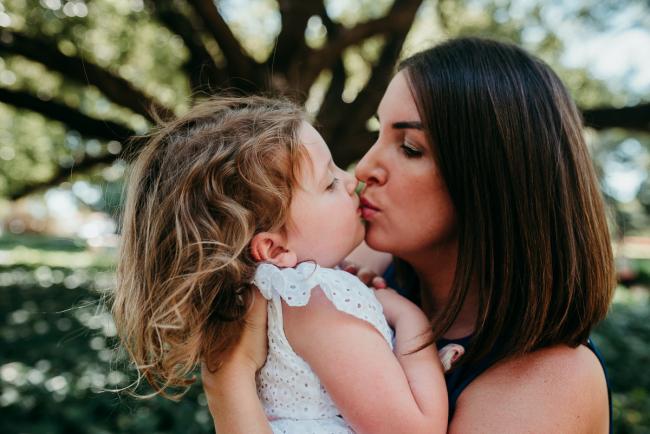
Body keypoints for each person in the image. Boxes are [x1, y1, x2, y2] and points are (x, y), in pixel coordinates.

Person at [201, 37, 615, 433]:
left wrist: (228, 381)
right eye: (378, 133)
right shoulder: (354, 268)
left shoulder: (552, 381)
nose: (363, 168)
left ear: (493, 182)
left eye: (411, 148)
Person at [111, 95, 450, 434]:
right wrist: (410, 318)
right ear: (273, 249)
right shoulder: (318, 300)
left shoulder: (284, 298)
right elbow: (418, 430)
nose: (350, 180)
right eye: (329, 183)